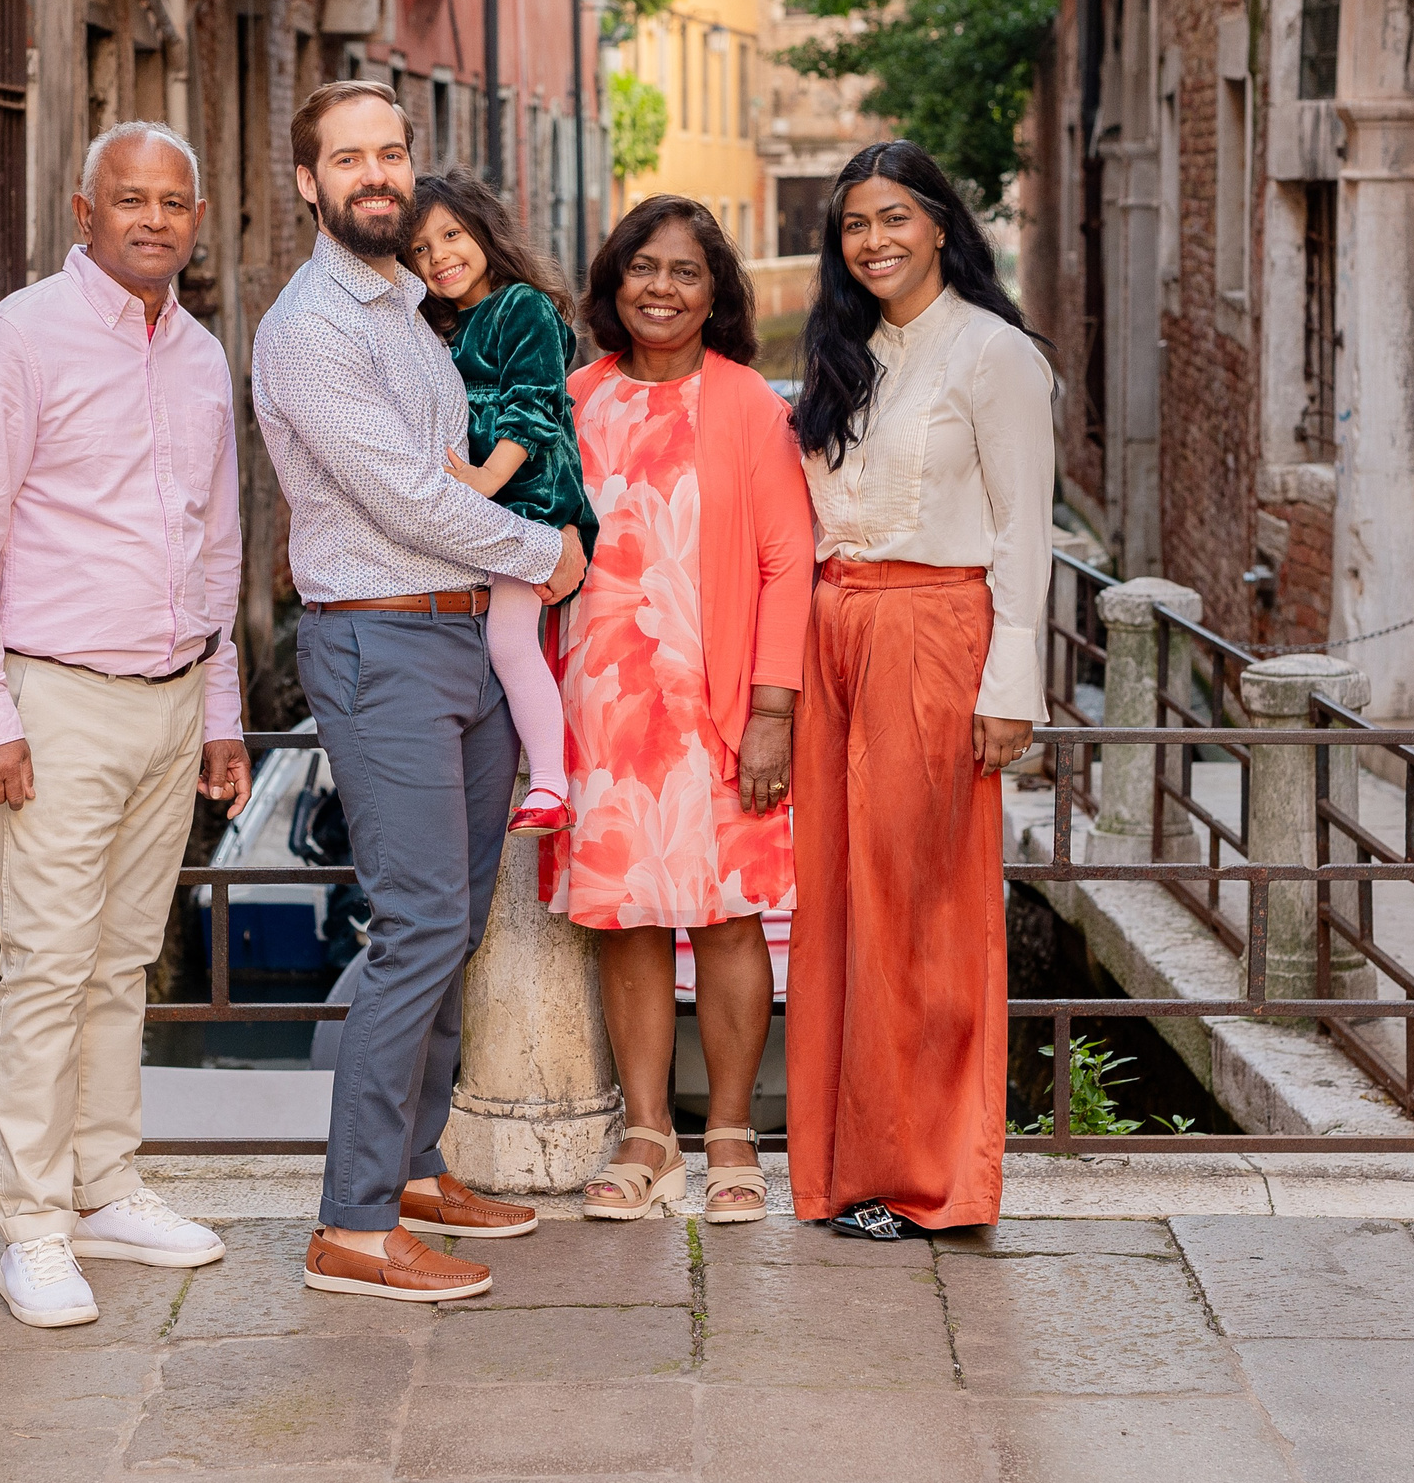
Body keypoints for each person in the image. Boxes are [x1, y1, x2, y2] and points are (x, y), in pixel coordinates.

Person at [253, 80, 589, 1303]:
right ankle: (349, 1224)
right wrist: (543, 555)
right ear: (309, 182)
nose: (378, 175)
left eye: (393, 152)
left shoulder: (408, 307)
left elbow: (480, 454)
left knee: (452, 918)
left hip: (463, 643)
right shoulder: (309, 329)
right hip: (379, 644)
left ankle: (411, 1168)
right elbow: (405, 495)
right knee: (416, 929)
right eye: (350, 159)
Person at [0, 121, 251, 1329]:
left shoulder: (203, 356)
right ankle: (31, 1221)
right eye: (131, 199)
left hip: (172, 700)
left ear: (195, 218)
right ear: (84, 211)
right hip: (54, 700)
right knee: (49, 968)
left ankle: (107, 1185)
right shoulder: (18, 339)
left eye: (175, 201)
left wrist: (221, 712)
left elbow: (214, 543)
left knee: (123, 964)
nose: (154, 219)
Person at [784, 140, 1056, 1241]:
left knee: (917, 907)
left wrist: (1012, 688)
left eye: (894, 218)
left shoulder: (993, 356)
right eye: (855, 224)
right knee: (834, 901)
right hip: (831, 632)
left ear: (942, 223)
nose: (874, 241)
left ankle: (924, 1176)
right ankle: (839, 1169)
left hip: (934, 634)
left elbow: (1023, 531)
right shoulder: (843, 358)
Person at [558, 195, 814, 1226]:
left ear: (716, 294)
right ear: (614, 282)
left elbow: (788, 563)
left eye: (684, 272)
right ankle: (648, 1133)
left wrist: (772, 710)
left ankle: (733, 1133)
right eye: (642, 269)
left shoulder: (749, 404)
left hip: (716, 704)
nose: (660, 289)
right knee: (624, 917)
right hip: (602, 699)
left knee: (726, 917)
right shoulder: (573, 397)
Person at [407, 168, 599, 836]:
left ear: (485, 232)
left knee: (510, 639)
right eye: (421, 250)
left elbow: (534, 407)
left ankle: (549, 785)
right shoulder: (448, 327)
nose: (439, 258)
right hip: (489, 511)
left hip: (531, 502)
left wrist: (487, 480)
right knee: (503, 641)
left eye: (452, 235)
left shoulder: (522, 307)